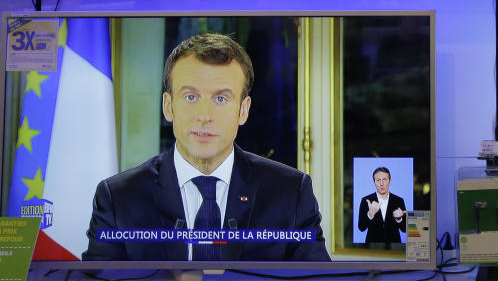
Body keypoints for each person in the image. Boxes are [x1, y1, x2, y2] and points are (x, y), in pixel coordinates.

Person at [83, 33, 331, 261]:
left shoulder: (290, 193)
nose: (204, 115)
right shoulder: (119, 197)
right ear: (168, 106)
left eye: (221, 99)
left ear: (243, 110)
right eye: (191, 97)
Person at [357, 167, 406, 245]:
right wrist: (370, 214)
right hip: (373, 247)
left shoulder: (399, 200)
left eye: (384, 179)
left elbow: (405, 229)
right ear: (374, 183)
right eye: (378, 180)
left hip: (394, 246)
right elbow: (361, 228)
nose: (381, 183)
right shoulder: (366, 200)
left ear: (390, 181)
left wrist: (399, 219)